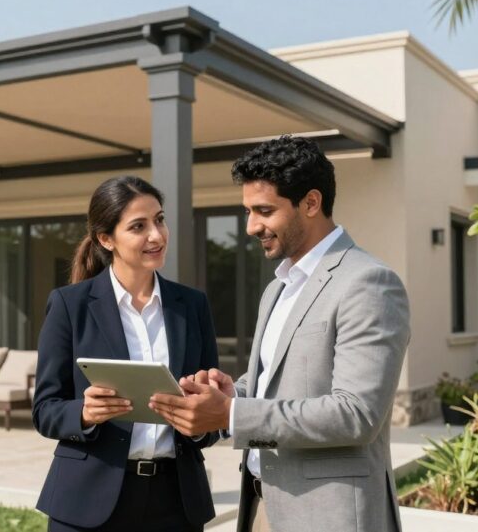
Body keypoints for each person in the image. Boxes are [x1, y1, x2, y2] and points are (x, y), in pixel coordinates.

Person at [151, 136, 411, 532]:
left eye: (264, 211)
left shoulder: (369, 282)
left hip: (329, 514)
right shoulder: (279, 287)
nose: (252, 226)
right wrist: (232, 393)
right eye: (248, 211)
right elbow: (280, 381)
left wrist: (232, 414)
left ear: (310, 202)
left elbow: (357, 413)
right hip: (261, 503)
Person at [32, 175, 219, 532]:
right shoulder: (70, 305)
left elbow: (209, 412)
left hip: (176, 502)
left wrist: (198, 424)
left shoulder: (192, 305)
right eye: (139, 226)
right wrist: (84, 413)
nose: (157, 235)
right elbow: (45, 410)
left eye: (159, 219)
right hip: (88, 501)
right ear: (106, 239)